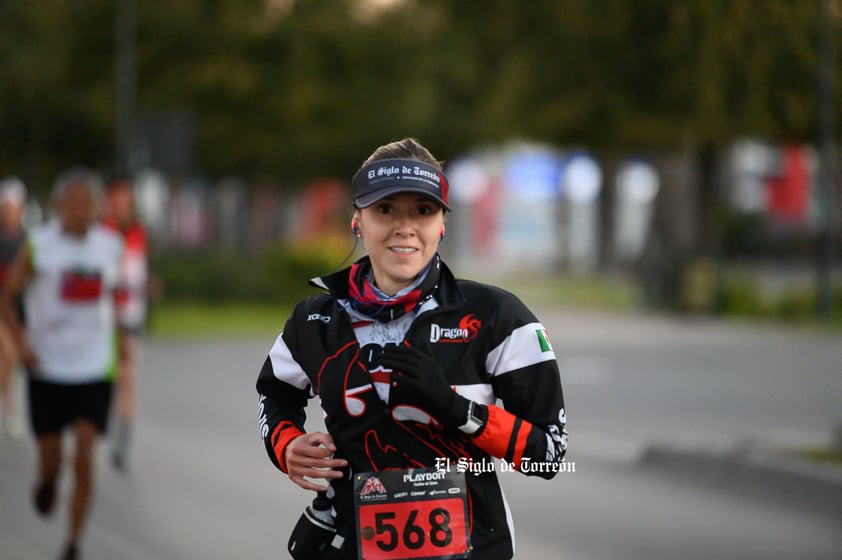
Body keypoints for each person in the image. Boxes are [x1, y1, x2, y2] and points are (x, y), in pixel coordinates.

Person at [256, 138, 567, 560]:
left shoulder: (498, 317)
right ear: (357, 221)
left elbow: (547, 455)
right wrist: (287, 445)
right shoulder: (315, 320)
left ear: (442, 224)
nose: (405, 227)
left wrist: (457, 410)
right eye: (385, 209)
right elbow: (276, 392)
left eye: (422, 210)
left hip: (473, 549)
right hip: (348, 545)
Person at [0, 168, 124, 560]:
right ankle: (47, 478)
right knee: (52, 456)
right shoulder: (38, 246)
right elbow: (7, 298)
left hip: (93, 368)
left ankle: (73, 543)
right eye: (71, 204)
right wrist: (21, 344)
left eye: (87, 204)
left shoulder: (111, 244)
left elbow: (113, 298)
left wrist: (123, 342)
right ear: (56, 208)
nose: (79, 212)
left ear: (97, 208)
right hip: (48, 368)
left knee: (85, 452)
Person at [101, 176, 150, 471]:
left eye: (125, 203)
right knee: (108, 379)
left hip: (132, 318)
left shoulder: (138, 233)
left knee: (127, 378)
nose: (120, 207)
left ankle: (122, 437)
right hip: (105, 320)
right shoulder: (102, 234)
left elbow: (138, 274)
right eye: (116, 202)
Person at [0, 177, 27, 438]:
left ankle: (8, 405)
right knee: (7, 353)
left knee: (11, 361)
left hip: (19, 311)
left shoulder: (27, 241)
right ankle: (8, 407)